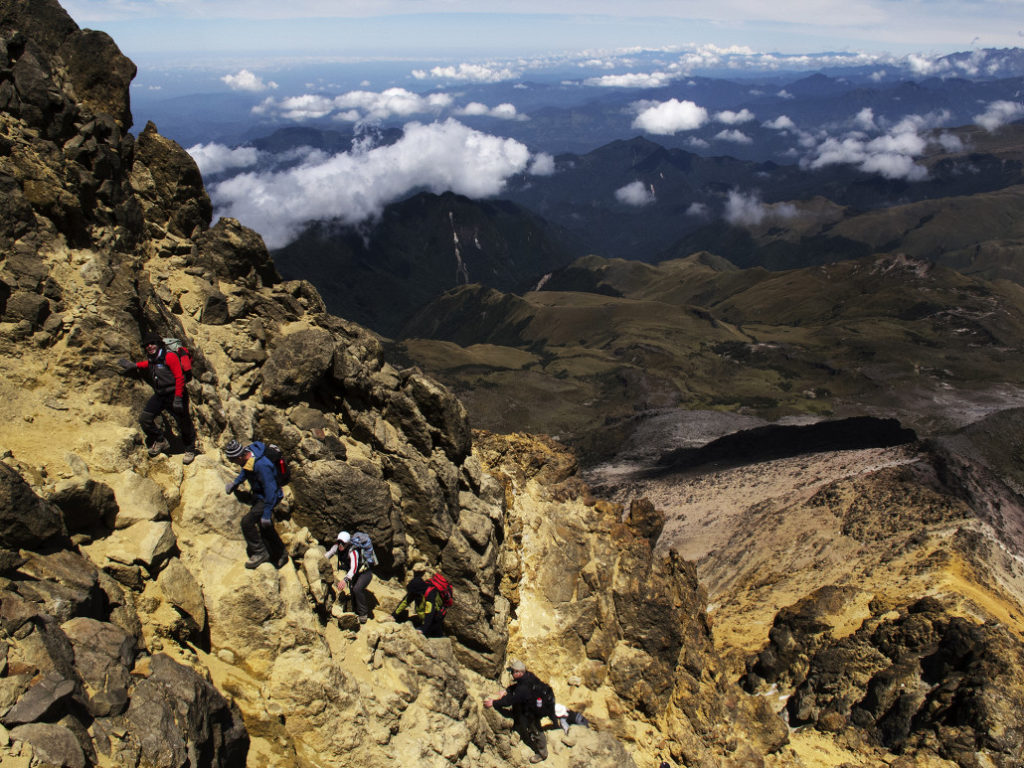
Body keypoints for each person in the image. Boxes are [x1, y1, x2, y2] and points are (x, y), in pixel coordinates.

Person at [118, 332, 196, 464]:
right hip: (160, 394)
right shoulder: (153, 357)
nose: (149, 346)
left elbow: (179, 377)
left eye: (152, 343)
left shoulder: (170, 356)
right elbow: (148, 364)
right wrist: (135, 365)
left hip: (175, 394)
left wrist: (177, 398)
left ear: (158, 344)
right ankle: (160, 440)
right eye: (147, 345)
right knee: (145, 419)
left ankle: (189, 449)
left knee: (184, 422)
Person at [224, 439, 288, 570]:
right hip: (261, 495)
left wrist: (266, 513)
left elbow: (270, 490)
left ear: (239, 456)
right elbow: (245, 470)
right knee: (265, 528)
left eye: (233, 460)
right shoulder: (249, 455)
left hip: (269, 497)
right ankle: (281, 553)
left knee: (247, 522)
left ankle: (260, 553)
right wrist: (235, 483)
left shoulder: (261, 465)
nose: (233, 463)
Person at [484, 659, 552, 763]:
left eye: (512, 671)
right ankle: (519, 723)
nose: (511, 674)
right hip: (530, 703)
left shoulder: (523, 689)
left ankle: (542, 754)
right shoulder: (527, 676)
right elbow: (517, 686)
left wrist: (493, 703)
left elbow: (509, 701)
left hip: (534, 710)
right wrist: (507, 690)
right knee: (520, 711)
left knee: (536, 729)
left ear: (519, 673)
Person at [326, 531, 373, 623]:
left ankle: (363, 615)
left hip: (364, 573)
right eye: (339, 542)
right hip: (354, 574)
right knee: (352, 590)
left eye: (342, 543)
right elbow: (328, 554)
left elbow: (354, 568)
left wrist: (345, 580)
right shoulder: (336, 547)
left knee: (357, 589)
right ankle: (354, 613)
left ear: (347, 543)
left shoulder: (353, 551)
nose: (340, 544)